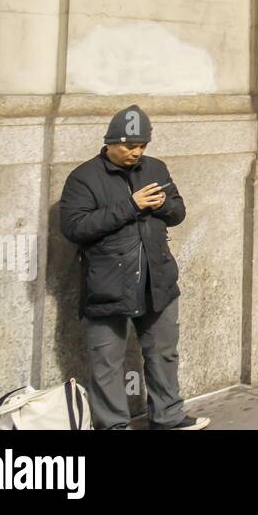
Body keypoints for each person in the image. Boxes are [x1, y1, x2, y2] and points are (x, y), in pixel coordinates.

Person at [59, 105, 208, 431]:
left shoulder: (156, 168)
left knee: (163, 353)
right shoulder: (83, 178)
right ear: (110, 142)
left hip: (158, 280)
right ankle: (113, 426)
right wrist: (131, 205)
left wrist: (164, 205)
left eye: (141, 145)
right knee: (106, 363)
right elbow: (74, 227)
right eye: (128, 145)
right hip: (108, 284)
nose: (135, 152)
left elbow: (178, 211)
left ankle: (168, 417)